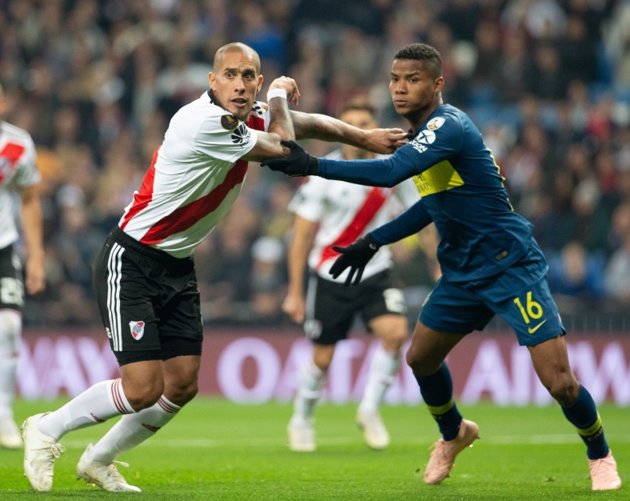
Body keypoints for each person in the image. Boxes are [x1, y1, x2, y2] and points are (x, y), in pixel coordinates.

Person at [21, 42, 406, 493]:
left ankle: (99, 460)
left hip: (176, 264)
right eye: (230, 75)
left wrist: (365, 138)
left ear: (256, 82)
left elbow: (310, 123)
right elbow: (285, 147)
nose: (240, 85)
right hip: (133, 259)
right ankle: (46, 428)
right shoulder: (204, 122)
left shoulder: (247, 115)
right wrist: (280, 93)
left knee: (182, 385)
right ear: (212, 80)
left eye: (249, 76)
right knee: (143, 388)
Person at [262, 43, 622, 491]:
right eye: (395, 79)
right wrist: (375, 239)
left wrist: (313, 164)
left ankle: (599, 453)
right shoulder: (423, 136)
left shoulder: (448, 126)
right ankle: (454, 434)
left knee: (561, 383)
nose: (400, 88)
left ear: (437, 85)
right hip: (462, 273)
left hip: (511, 267)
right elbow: (433, 205)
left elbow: (392, 171)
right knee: (420, 358)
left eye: (412, 79)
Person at [284, 99, 423, 452]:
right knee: (322, 359)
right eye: (351, 124)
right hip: (330, 273)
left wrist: (434, 258)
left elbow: (422, 210)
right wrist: (296, 291)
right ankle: (302, 417)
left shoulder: (394, 167)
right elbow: (301, 236)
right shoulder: (322, 172)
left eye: (365, 123)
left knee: (394, 334)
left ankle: (370, 409)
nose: (359, 131)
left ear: (373, 129)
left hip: (376, 269)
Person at [0, 84, 45, 449]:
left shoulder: (17, 144)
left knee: (9, 325)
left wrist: (37, 256)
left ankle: (3, 415)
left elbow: (29, 200)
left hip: (3, 247)